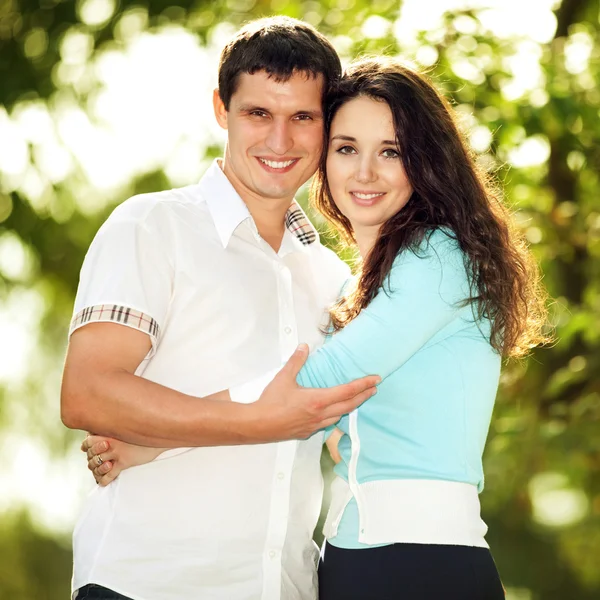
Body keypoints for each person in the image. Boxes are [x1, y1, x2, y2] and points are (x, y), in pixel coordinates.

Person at [86, 57, 549, 600]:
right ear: (325, 156)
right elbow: (327, 421)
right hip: (350, 561)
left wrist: (151, 443)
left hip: (422, 564)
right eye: (347, 148)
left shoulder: (440, 256)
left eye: (392, 152)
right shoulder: (360, 282)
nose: (365, 172)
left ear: (427, 163)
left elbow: (321, 378)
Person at [61, 17, 380, 600]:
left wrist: (153, 438)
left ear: (326, 124)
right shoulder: (151, 225)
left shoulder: (334, 279)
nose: (279, 141)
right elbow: (88, 394)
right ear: (221, 109)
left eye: (302, 117)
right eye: (258, 113)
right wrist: (259, 423)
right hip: (143, 585)